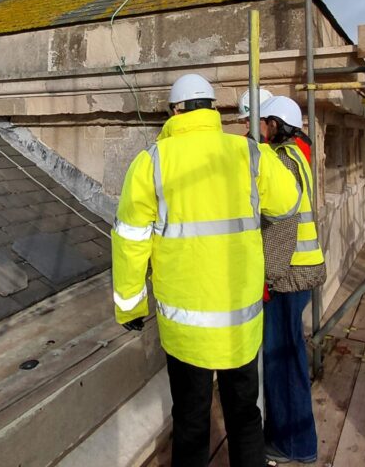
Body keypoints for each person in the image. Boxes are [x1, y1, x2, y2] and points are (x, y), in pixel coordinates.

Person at [112, 73, 301, 467]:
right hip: (240, 319)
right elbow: (287, 204)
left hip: (186, 327)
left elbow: (130, 241)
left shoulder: (151, 162)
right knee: (245, 416)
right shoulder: (248, 153)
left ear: (175, 111)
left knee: (191, 422)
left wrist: (131, 307)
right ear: (214, 109)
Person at [258, 96, 326, 465]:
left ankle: (294, 446)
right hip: (303, 270)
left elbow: (282, 229)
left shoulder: (282, 160)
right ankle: (291, 439)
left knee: (282, 361)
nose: (258, 130)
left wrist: (268, 276)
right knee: (289, 358)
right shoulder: (299, 154)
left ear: (275, 124)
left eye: (262, 123)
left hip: (287, 275)